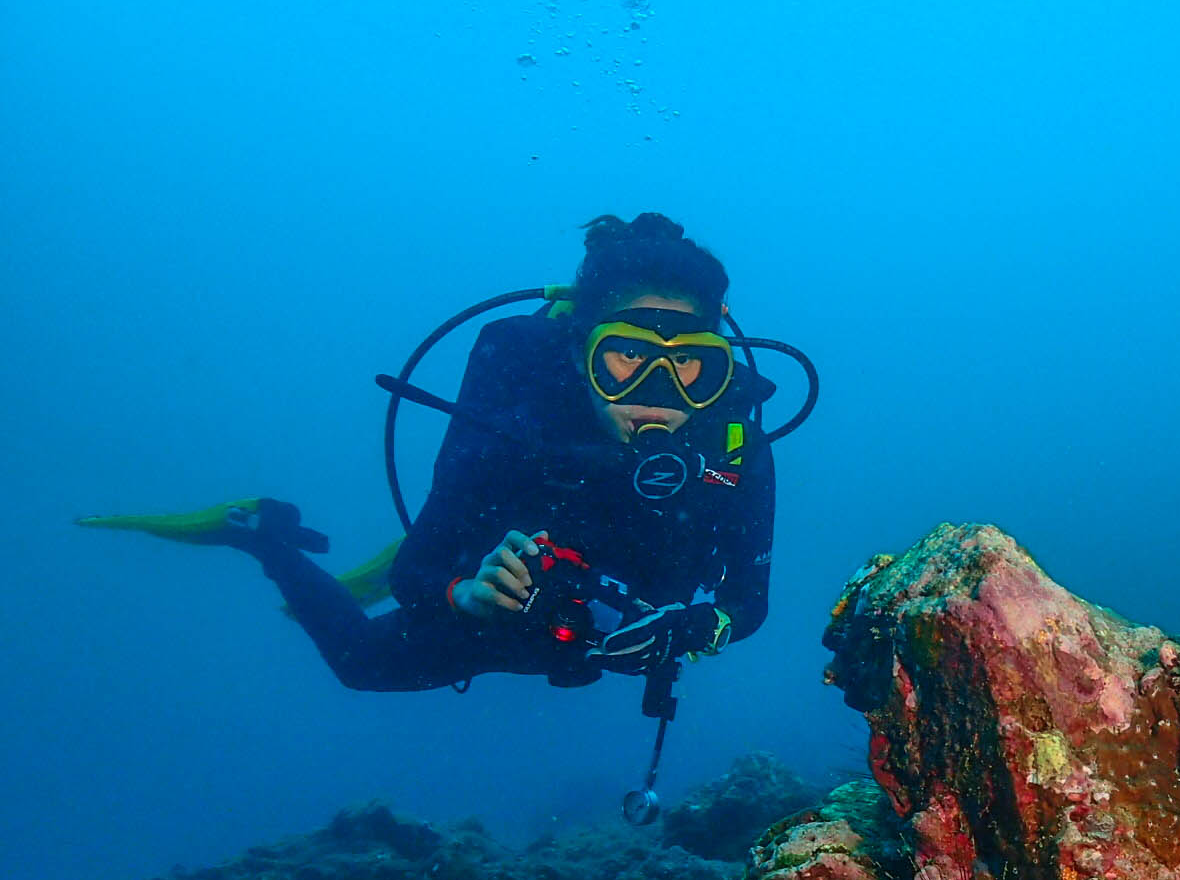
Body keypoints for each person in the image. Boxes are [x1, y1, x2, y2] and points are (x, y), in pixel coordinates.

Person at [81, 214, 775, 692]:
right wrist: (468, 594)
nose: (658, 393)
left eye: (691, 363)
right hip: (501, 576)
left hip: (612, 606)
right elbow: (417, 573)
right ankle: (259, 531)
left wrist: (700, 627)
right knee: (360, 663)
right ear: (578, 352)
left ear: (721, 366)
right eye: (625, 356)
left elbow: (748, 602)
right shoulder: (517, 425)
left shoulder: (733, 447)